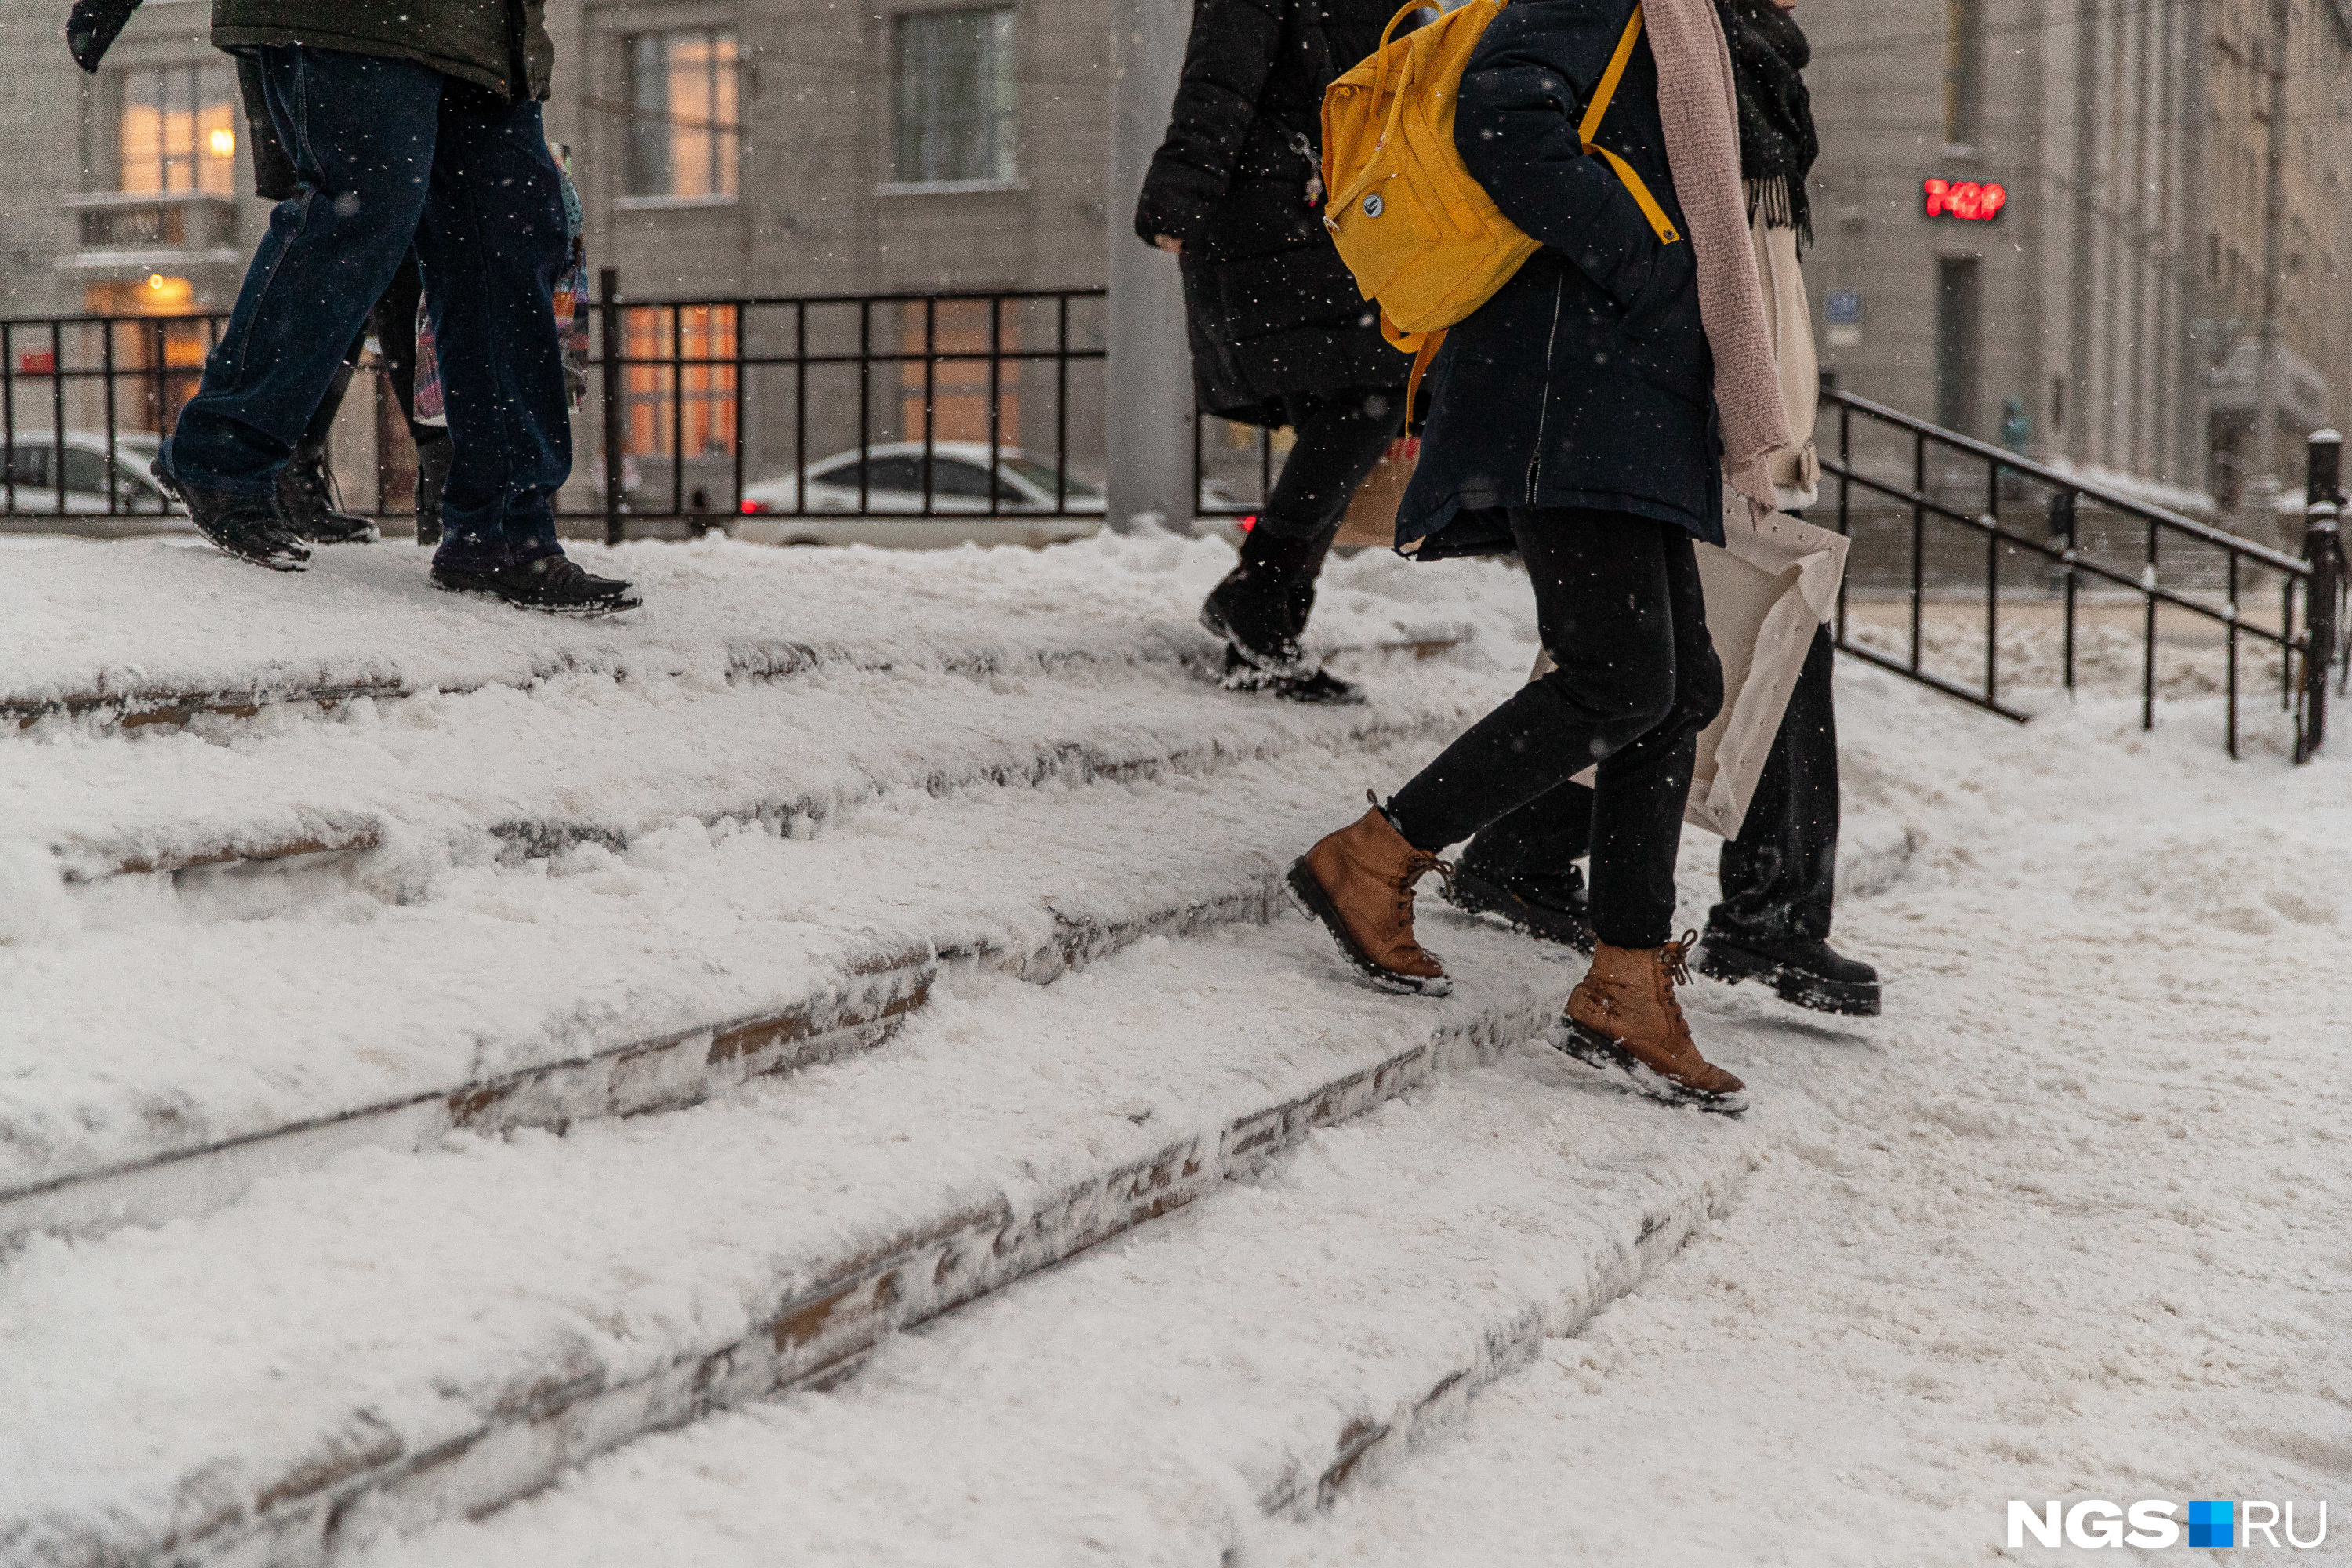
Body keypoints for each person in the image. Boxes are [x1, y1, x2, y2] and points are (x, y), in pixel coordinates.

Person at [1286, 0, 1792, 1111]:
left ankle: (1624, 975)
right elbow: (1503, 116)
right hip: (1572, 379)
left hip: (1631, 393)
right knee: (1621, 677)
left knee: (1675, 685)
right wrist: (1653, 261)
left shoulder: (1693, 25)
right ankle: (1372, 857)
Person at [1442, 0, 1884, 1018]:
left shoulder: (1740, 47)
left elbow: (1752, 243)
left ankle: (1525, 850)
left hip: (1727, 383)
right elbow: (1545, 142)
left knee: (1672, 667)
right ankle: (1762, 913)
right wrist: (1666, 295)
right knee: (1711, 656)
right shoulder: (1671, 33)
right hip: (1662, 385)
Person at [148, 2, 637, 613]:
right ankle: (221, 454)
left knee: (510, 240)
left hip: (488, 36)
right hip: (361, 18)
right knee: (360, 213)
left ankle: (504, 530)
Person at [1135, 0, 1412, 703]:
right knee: (1368, 391)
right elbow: (1219, 81)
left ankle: (1268, 623)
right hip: (1274, 209)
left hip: (1345, 211)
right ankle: (1262, 597)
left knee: (1362, 397)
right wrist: (1180, 193)